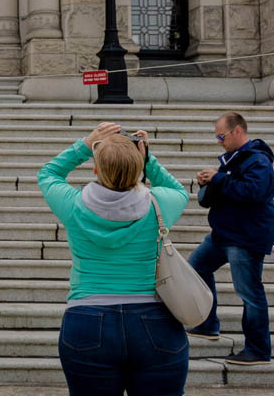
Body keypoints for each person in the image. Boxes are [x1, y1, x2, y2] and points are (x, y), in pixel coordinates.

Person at [38, 121, 190, 396]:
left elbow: (48, 173)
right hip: (154, 317)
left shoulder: (73, 205)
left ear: (96, 168)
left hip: (87, 316)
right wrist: (149, 160)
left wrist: (86, 144)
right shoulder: (159, 204)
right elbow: (180, 190)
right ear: (138, 168)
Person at [188, 112, 274, 365]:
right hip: (223, 234)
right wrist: (210, 181)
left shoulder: (258, 160)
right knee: (195, 268)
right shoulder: (234, 160)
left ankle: (258, 350)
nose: (219, 140)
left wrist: (219, 178)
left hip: (245, 237)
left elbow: (253, 192)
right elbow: (229, 188)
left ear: (238, 131)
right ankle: (207, 324)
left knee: (249, 292)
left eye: (221, 135)